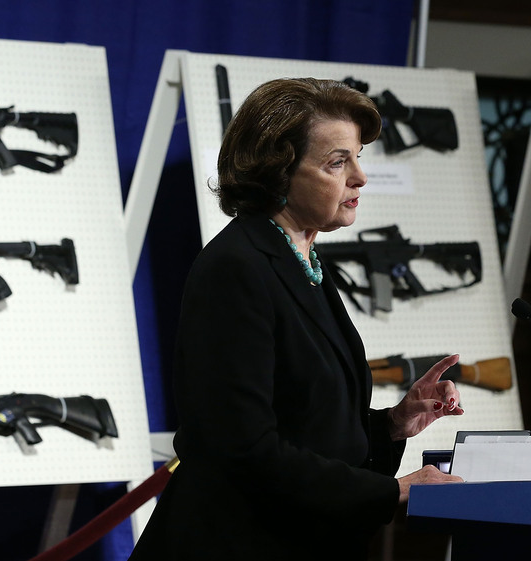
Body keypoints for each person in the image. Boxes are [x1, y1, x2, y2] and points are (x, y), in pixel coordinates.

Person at [129, 77, 463, 561]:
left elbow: (308, 429)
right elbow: (244, 450)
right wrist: (395, 493)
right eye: (336, 162)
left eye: (358, 158)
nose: (359, 178)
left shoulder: (302, 261)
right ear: (277, 173)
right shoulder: (236, 268)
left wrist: (394, 423)